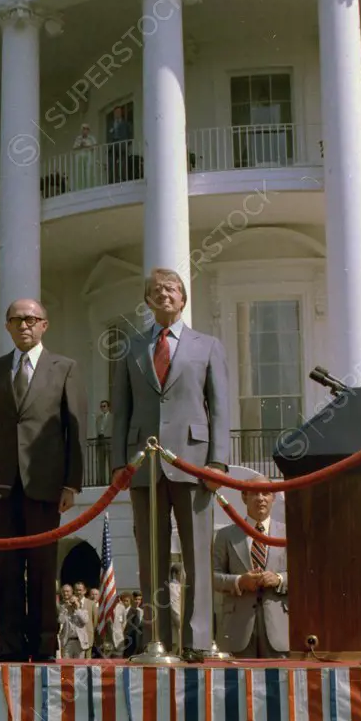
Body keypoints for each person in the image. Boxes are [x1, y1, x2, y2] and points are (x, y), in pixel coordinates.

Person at [111, 267, 230, 663]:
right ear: (147, 300)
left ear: (183, 299)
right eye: (157, 290)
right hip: (144, 463)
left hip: (195, 463)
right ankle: (155, 640)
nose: (165, 294)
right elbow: (122, 411)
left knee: (197, 554)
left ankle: (198, 641)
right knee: (150, 557)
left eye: (172, 289)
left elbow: (220, 409)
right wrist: (118, 463)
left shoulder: (207, 345)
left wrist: (218, 461)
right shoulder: (131, 348)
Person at [0, 298, 86, 662]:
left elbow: (75, 428)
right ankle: (7, 645)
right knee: (6, 567)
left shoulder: (64, 368)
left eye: (31, 319)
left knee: (42, 566)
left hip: (46, 482)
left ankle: (43, 645)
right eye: (16, 320)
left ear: (44, 324)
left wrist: (71, 484)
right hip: (2, 484)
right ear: (7, 326)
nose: (24, 325)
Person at [213, 482, 289, 658]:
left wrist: (279, 578)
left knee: (279, 683)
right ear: (244, 497)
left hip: (279, 629)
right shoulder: (225, 535)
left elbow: (304, 575)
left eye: (266, 494)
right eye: (255, 493)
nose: (261, 498)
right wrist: (239, 581)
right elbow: (212, 577)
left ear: (273, 498)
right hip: (237, 629)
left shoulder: (288, 533)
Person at [58, 584, 89, 658]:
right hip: (67, 641)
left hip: (80, 642)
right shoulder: (62, 607)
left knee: (80, 667)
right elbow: (60, 621)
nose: (65, 593)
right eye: (64, 591)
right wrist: (65, 609)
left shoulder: (82, 608)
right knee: (66, 666)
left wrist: (77, 609)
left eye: (67, 591)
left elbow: (84, 621)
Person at [107, 106, 132, 183]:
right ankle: (113, 180)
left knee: (123, 162)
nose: (117, 113)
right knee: (112, 162)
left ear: (121, 113)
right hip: (113, 145)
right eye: (115, 112)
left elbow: (130, 134)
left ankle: (124, 178)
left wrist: (127, 143)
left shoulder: (126, 124)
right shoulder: (111, 124)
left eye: (119, 112)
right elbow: (108, 135)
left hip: (122, 145)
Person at [72, 123, 97, 189]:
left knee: (89, 172)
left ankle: (89, 188)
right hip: (80, 157)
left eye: (87, 129)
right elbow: (74, 148)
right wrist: (80, 145)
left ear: (88, 130)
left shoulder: (91, 138)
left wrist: (86, 146)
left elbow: (95, 147)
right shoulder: (78, 138)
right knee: (80, 173)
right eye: (84, 129)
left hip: (88, 157)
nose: (85, 131)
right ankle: (80, 188)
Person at [95, 400, 112, 485]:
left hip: (109, 441)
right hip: (101, 440)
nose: (103, 408)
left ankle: (111, 481)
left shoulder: (112, 417)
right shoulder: (98, 418)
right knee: (101, 463)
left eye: (104, 406)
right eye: (101, 406)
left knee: (110, 462)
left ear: (108, 407)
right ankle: (101, 481)